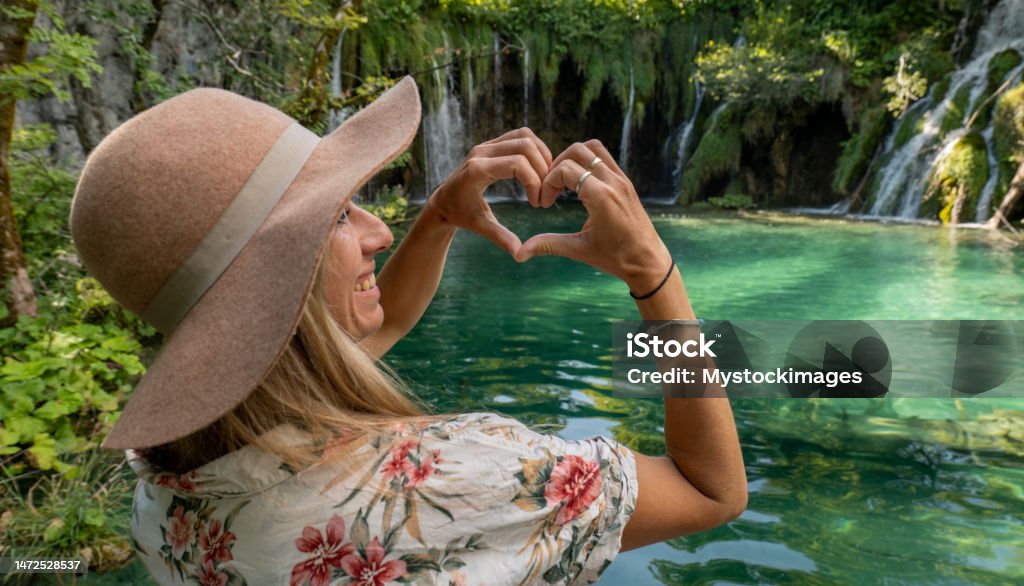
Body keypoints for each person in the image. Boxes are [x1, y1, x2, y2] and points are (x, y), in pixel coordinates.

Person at [69, 76, 746, 585]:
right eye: (335, 217)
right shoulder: (449, 484)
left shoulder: (166, 488)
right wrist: (655, 274)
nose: (379, 231)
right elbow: (709, 490)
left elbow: (362, 332)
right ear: (276, 279)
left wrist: (442, 215)